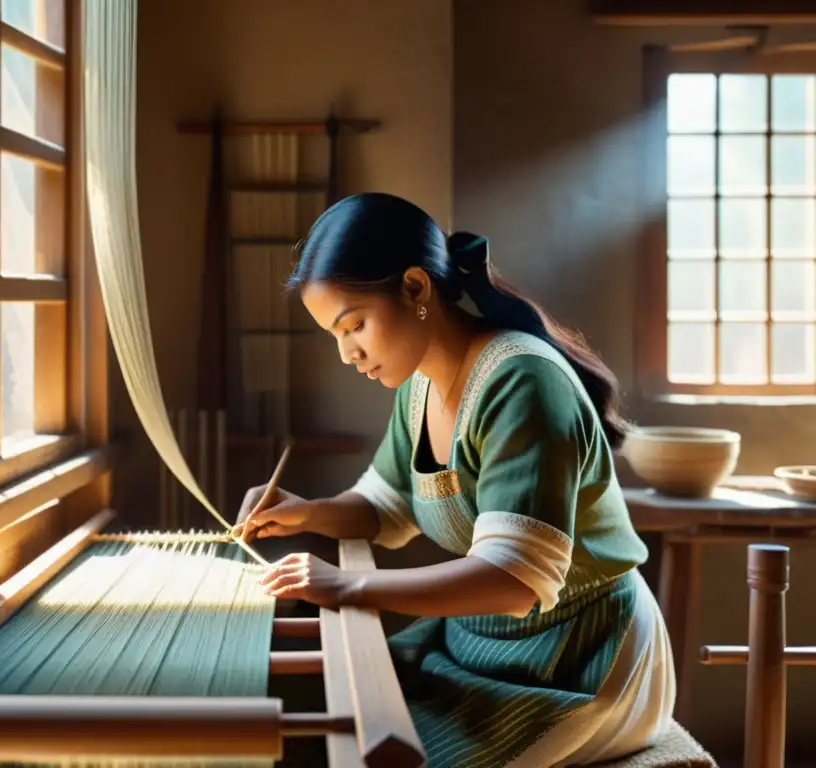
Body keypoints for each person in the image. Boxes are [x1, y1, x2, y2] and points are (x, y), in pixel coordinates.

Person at [231, 192, 675, 767]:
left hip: (578, 657)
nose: (348, 353)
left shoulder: (522, 382)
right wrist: (306, 511)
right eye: (336, 336)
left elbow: (514, 579)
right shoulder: (418, 386)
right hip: (478, 644)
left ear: (415, 288)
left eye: (355, 325)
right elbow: (382, 508)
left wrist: (346, 586)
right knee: (343, 720)